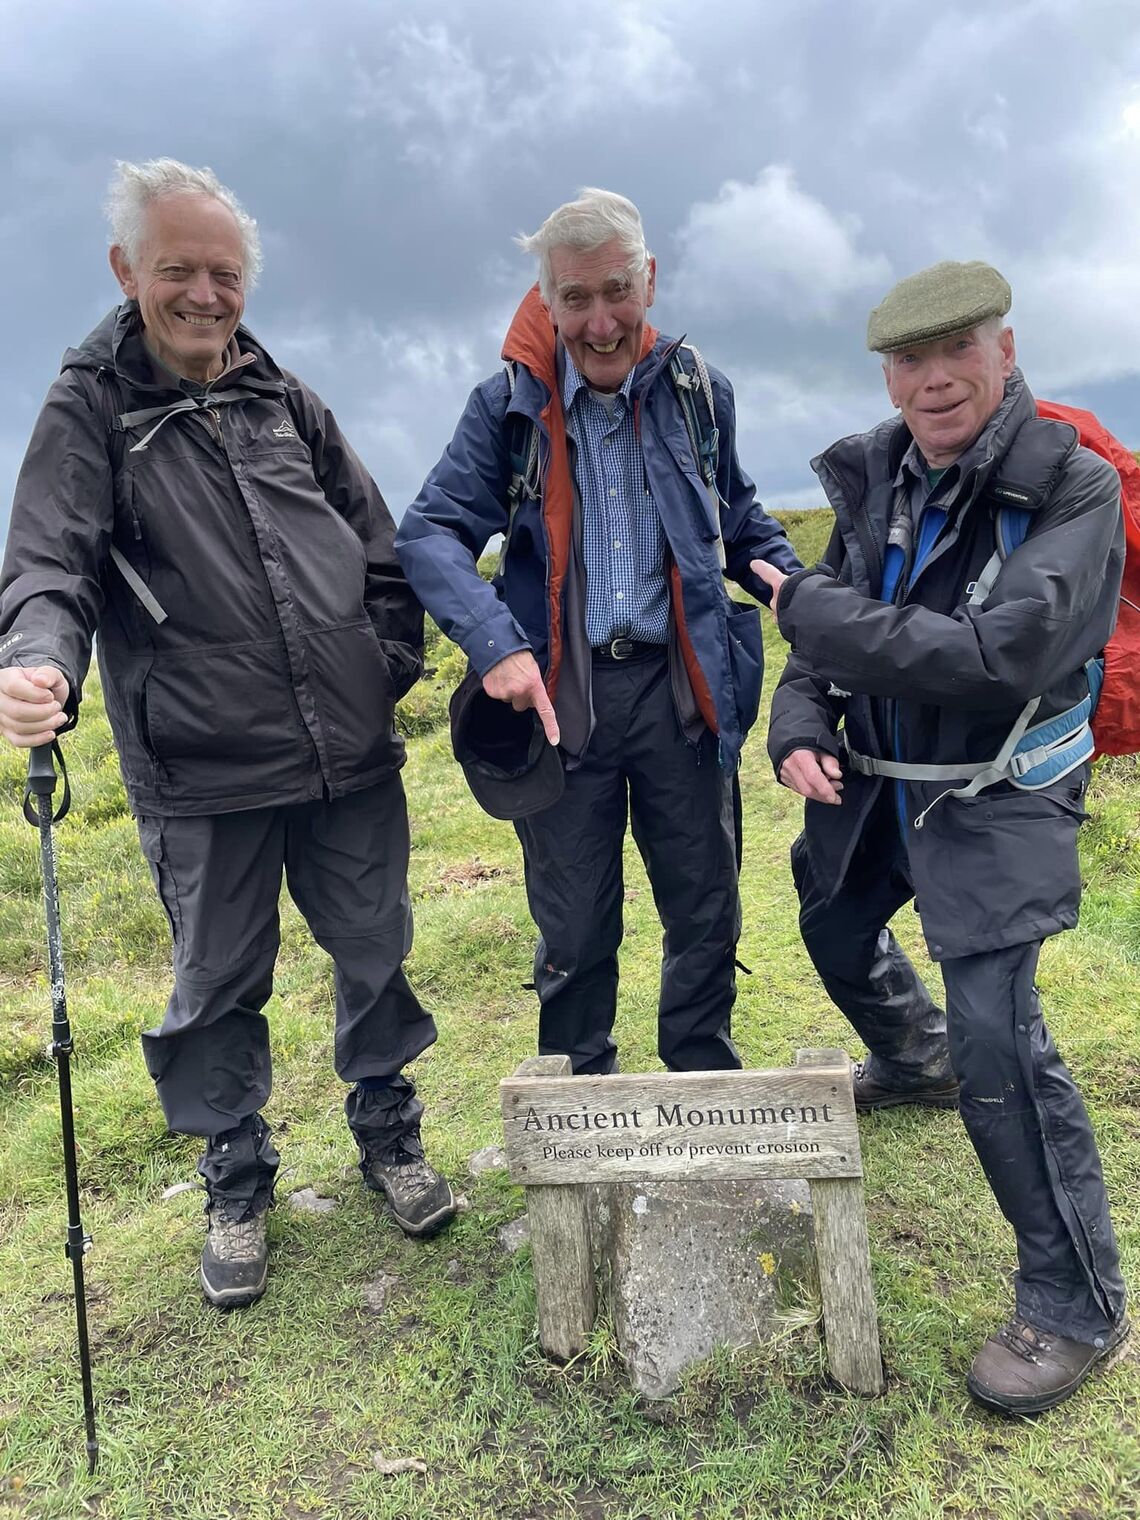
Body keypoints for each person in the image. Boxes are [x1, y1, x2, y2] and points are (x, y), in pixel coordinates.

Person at [0, 159, 456, 1311]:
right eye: (178, 271)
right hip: (201, 769)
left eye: (224, 273)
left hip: (345, 753)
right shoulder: (89, 409)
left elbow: (381, 548)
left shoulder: (281, 396)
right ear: (125, 271)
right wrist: (36, 658)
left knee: (375, 947)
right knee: (214, 982)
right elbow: (47, 561)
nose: (205, 294)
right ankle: (237, 1182)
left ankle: (388, 1133)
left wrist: (380, 666)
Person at [756, 260, 1128, 1413]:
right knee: (829, 918)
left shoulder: (1072, 488)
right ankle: (909, 1056)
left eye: (954, 350)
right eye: (909, 360)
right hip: (881, 776)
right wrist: (799, 722)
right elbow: (826, 643)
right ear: (888, 372)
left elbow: (997, 659)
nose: (932, 378)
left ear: (1002, 350)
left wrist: (800, 607)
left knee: (1000, 1035)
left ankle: (1077, 1303)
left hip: (1001, 786)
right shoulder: (878, 473)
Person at [396, 188, 800, 1077]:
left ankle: (702, 1084)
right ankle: (580, 1102)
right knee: (574, 926)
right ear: (548, 300)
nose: (601, 320)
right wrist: (495, 644)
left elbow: (736, 519)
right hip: (560, 702)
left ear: (649, 280)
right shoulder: (505, 410)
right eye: (576, 298)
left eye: (617, 289)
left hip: (681, 692)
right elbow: (428, 533)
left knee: (705, 907)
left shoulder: (699, 393)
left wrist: (790, 585)